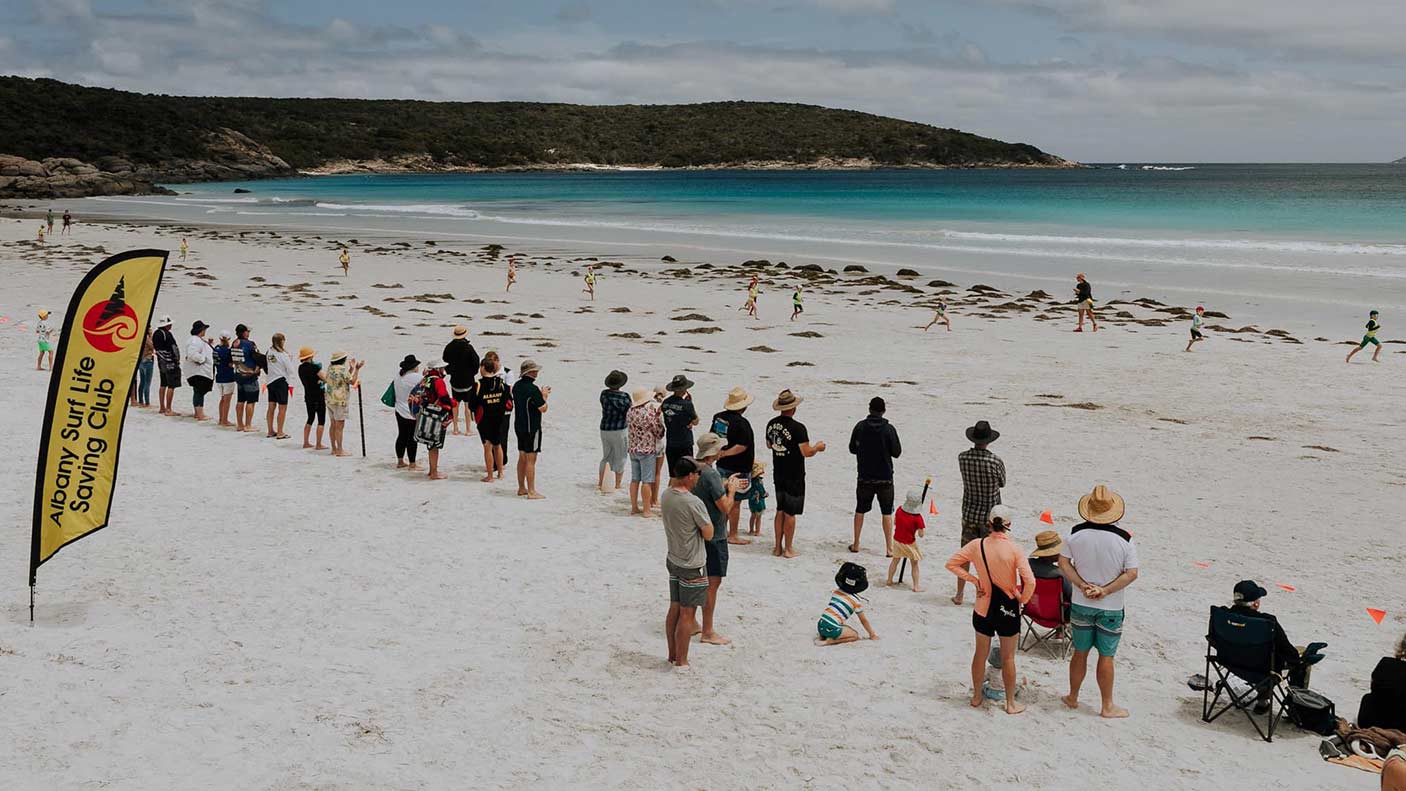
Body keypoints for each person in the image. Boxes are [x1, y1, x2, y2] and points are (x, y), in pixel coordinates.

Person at [1059, 485, 1139, 719]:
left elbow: (1063, 563)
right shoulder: (1125, 539)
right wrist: (1104, 590)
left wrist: (1082, 584)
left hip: (1081, 602)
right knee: (1106, 656)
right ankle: (1107, 705)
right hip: (1110, 606)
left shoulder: (1075, 534)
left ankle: (1073, 696)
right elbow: (1131, 573)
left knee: (1080, 652)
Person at [946, 505, 1035, 714]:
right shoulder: (1014, 548)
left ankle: (977, 696)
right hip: (1008, 606)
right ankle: (1011, 703)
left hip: (983, 605)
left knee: (980, 653)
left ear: (989, 523)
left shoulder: (977, 545)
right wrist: (1022, 599)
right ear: (1008, 525)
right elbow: (1030, 581)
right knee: (1008, 657)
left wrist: (974, 580)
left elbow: (951, 564)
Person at [691, 433, 745, 647]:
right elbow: (725, 508)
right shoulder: (710, 474)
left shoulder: (692, 468)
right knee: (712, 582)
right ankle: (708, 630)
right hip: (715, 534)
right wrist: (731, 490)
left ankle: (694, 622)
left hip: (696, 531)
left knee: (697, 579)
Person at [661, 457, 713, 671]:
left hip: (674, 558)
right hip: (693, 563)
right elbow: (709, 533)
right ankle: (682, 660)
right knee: (687, 613)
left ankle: (672, 654)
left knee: (674, 607)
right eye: (696, 474)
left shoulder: (666, 495)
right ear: (689, 476)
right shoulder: (693, 502)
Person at [765, 389, 825, 559]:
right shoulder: (798, 428)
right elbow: (806, 452)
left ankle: (777, 546)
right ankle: (788, 548)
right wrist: (818, 448)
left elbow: (770, 445)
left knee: (780, 509)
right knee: (790, 512)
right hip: (794, 473)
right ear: (794, 408)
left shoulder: (771, 423)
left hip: (779, 470)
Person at [1228, 580, 1317, 694]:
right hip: (1261, 670)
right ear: (1255, 603)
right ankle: (1295, 702)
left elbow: (1213, 639)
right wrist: (1300, 659)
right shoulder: (1266, 622)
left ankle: (1263, 699)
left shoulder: (1223, 617)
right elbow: (1287, 649)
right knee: (1302, 660)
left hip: (1231, 663)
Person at [955, 420, 1005, 605]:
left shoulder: (963, 458)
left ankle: (959, 594)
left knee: (964, 556)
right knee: (989, 558)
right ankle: (989, 595)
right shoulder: (994, 460)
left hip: (969, 512)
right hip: (989, 516)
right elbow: (1002, 482)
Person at [849, 396, 902, 556]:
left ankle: (856, 543)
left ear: (869, 409)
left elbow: (852, 448)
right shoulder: (889, 429)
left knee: (860, 509)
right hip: (885, 476)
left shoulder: (860, 426)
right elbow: (897, 452)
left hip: (865, 476)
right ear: (883, 411)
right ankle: (889, 548)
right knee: (886, 512)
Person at [710, 387, 756, 545]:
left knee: (723, 497)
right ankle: (733, 534)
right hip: (738, 466)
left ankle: (722, 529)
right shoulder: (742, 423)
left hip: (722, 464)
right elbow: (742, 446)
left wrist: (719, 453)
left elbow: (713, 436)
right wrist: (726, 453)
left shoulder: (718, 417)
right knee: (735, 501)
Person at [468, 354, 511, 482]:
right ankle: (501, 473)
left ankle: (490, 475)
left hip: (484, 419)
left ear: (483, 368)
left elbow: (472, 405)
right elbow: (506, 400)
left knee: (487, 446)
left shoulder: (478, 384)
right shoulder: (501, 383)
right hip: (499, 417)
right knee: (498, 445)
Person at [512, 359, 550, 499]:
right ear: (531, 372)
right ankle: (532, 491)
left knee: (522, 457)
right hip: (532, 428)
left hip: (519, 426)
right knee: (531, 460)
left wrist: (539, 396)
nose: (537, 372)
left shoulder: (516, 386)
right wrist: (544, 396)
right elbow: (543, 408)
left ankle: (522, 488)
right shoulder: (532, 389)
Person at [817, 562, 878, 646]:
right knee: (855, 635)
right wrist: (872, 634)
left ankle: (823, 636)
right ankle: (830, 641)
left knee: (839, 626)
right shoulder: (855, 601)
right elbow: (863, 620)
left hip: (821, 623)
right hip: (832, 628)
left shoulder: (837, 591)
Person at [626, 387, 665, 517]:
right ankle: (647, 510)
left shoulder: (630, 411)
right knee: (647, 480)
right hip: (647, 450)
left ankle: (634, 507)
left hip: (633, 448)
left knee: (635, 479)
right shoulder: (648, 413)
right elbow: (659, 432)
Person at [416, 360, 455, 480]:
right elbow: (443, 397)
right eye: (442, 368)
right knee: (434, 444)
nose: (444, 370)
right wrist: (452, 403)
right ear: (438, 369)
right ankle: (434, 472)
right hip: (436, 415)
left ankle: (431, 470)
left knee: (430, 443)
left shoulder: (425, 379)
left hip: (425, 414)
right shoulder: (438, 381)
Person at [1358, 633, 1406, 731]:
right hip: (1399, 729)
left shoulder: (1385, 663)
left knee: (1369, 697)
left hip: (1367, 722)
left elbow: (1375, 689)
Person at [321, 351, 362, 457]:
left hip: (330, 399)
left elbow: (342, 378)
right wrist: (357, 369)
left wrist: (351, 369)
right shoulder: (342, 370)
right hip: (340, 400)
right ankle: (340, 450)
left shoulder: (330, 368)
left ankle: (334, 448)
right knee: (340, 426)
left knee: (333, 424)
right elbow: (352, 381)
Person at [443, 325, 480, 435]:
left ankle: (455, 428)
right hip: (468, 380)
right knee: (468, 406)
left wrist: (450, 371)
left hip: (455, 380)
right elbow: (476, 362)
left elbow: (445, 362)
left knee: (455, 404)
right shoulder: (469, 348)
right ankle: (468, 429)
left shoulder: (449, 347)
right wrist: (472, 373)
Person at [887, 489, 927, 592]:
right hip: (909, 543)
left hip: (897, 539)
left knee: (895, 560)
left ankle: (889, 580)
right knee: (914, 563)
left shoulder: (899, 510)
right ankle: (916, 586)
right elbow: (921, 534)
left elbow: (895, 522)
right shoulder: (918, 518)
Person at [660, 374, 700, 477]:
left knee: (673, 475)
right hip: (684, 443)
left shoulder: (665, 403)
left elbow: (671, 417)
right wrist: (690, 422)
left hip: (671, 442)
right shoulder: (687, 404)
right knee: (687, 474)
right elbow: (696, 421)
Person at [598, 370, 631, 493]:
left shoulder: (603, 394)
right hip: (620, 429)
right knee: (621, 457)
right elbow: (629, 412)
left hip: (605, 428)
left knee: (606, 456)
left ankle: (601, 482)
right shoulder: (625, 397)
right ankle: (617, 484)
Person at [1029, 530, 1073, 616]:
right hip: (1058, 614)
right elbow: (1071, 596)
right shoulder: (1059, 574)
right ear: (1053, 554)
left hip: (1034, 611)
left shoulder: (1028, 564)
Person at [392, 354, 423, 470]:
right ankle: (412, 463)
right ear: (414, 367)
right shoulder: (416, 377)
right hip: (411, 410)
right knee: (412, 438)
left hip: (399, 408)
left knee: (401, 435)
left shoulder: (398, 376)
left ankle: (400, 460)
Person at [264, 333, 296, 439]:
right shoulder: (283, 355)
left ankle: (270, 430)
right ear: (281, 341)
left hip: (270, 381)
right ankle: (280, 431)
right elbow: (291, 370)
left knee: (271, 406)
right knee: (282, 407)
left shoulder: (269, 352)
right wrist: (290, 359)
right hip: (281, 381)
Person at [181, 320, 214, 422]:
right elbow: (192, 354)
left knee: (198, 391)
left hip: (199, 371)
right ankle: (200, 414)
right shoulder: (195, 341)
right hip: (198, 371)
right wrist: (202, 359)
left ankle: (198, 413)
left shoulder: (197, 340)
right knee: (199, 391)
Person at [231, 323, 261, 432]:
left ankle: (240, 424)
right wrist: (257, 370)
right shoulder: (250, 344)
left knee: (240, 400)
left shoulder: (234, 343)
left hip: (238, 374)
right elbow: (257, 357)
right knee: (251, 401)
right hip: (249, 375)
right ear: (244, 332)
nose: (249, 333)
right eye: (248, 332)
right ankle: (248, 425)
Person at [152, 315, 182, 416]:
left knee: (163, 384)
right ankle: (168, 409)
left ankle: (162, 407)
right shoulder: (167, 334)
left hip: (161, 362)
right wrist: (177, 360)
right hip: (170, 362)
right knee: (171, 385)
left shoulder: (156, 334)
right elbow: (174, 348)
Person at [298, 347, 327, 449]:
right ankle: (318, 444)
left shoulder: (300, 368)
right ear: (310, 356)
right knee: (321, 420)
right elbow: (325, 379)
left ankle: (306, 442)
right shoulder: (314, 368)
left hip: (308, 395)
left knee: (310, 418)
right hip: (318, 396)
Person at [212, 331, 236, 426]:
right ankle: (225, 420)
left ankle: (221, 419)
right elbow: (231, 363)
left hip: (219, 376)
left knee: (222, 399)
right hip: (228, 377)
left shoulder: (216, 349)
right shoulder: (228, 350)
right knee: (227, 400)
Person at [746, 461, 767, 537]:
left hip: (751, 499)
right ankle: (757, 531)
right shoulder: (758, 481)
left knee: (753, 515)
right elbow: (761, 490)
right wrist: (765, 494)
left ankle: (751, 530)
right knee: (758, 517)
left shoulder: (750, 480)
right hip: (759, 500)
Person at [134, 328, 154, 408]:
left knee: (142, 381)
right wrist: (151, 336)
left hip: (141, 360)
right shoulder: (147, 339)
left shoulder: (140, 338)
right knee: (147, 383)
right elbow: (153, 347)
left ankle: (140, 400)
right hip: (148, 360)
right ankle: (147, 402)